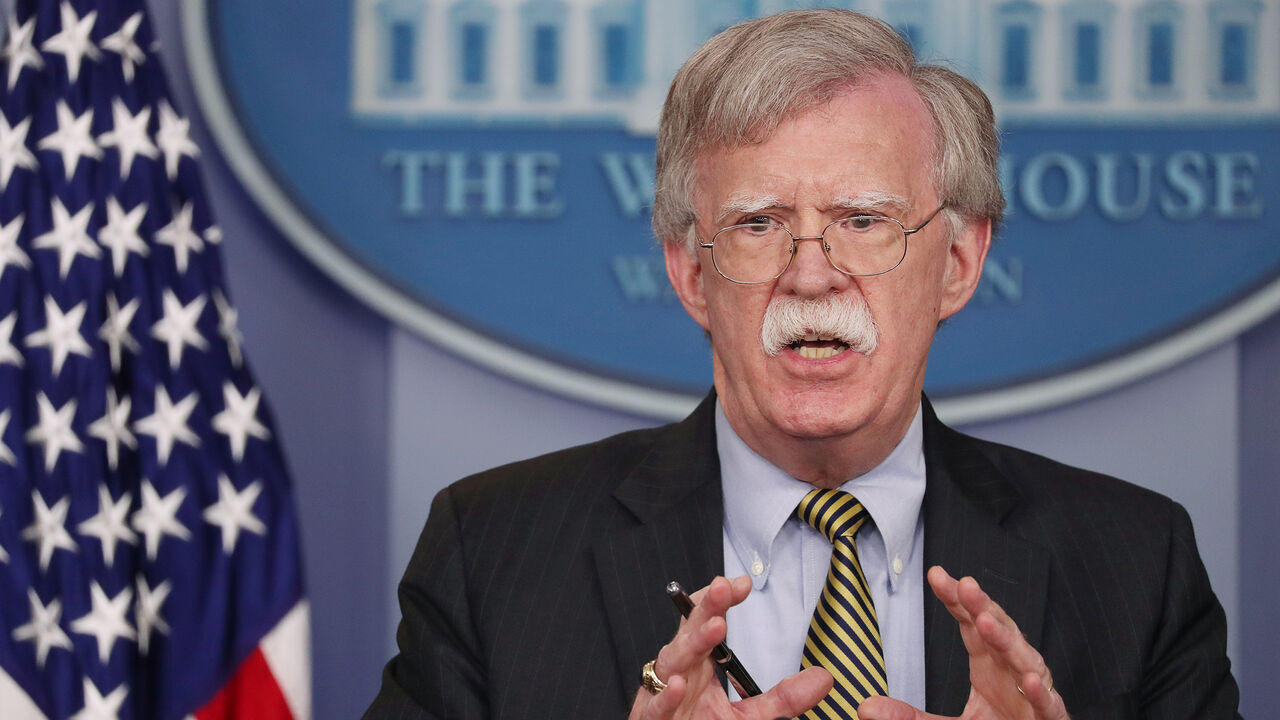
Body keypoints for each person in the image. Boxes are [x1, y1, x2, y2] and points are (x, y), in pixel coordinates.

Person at [364, 9, 1240, 720]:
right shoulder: (491, 551)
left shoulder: (1135, 561)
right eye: (758, 223)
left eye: (864, 220)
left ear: (960, 263)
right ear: (691, 272)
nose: (812, 271)